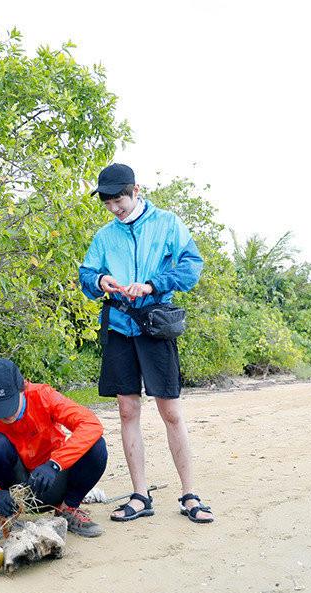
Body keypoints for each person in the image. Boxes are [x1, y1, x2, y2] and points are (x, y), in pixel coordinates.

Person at [78, 163, 214, 524]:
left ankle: (190, 494)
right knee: (127, 411)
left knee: (171, 412)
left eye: (118, 199)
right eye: (107, 202)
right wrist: (101, 280)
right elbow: (86, 274)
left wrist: (152, 284)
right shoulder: (105, 236)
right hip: (120, 327)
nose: (113, 208)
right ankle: (140, 495)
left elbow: (192, 265)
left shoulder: (168, 223)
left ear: (136, 190)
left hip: (155, 326)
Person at [0, 358, 108, 540]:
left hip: (53, 482)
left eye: (9, 404)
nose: (6, 415)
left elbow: (90, 424)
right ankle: (5, 514)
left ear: (22, 387)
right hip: (13, 493)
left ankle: (68, 507)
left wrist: (55, 464)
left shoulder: (42, 395)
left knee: (96, 446)